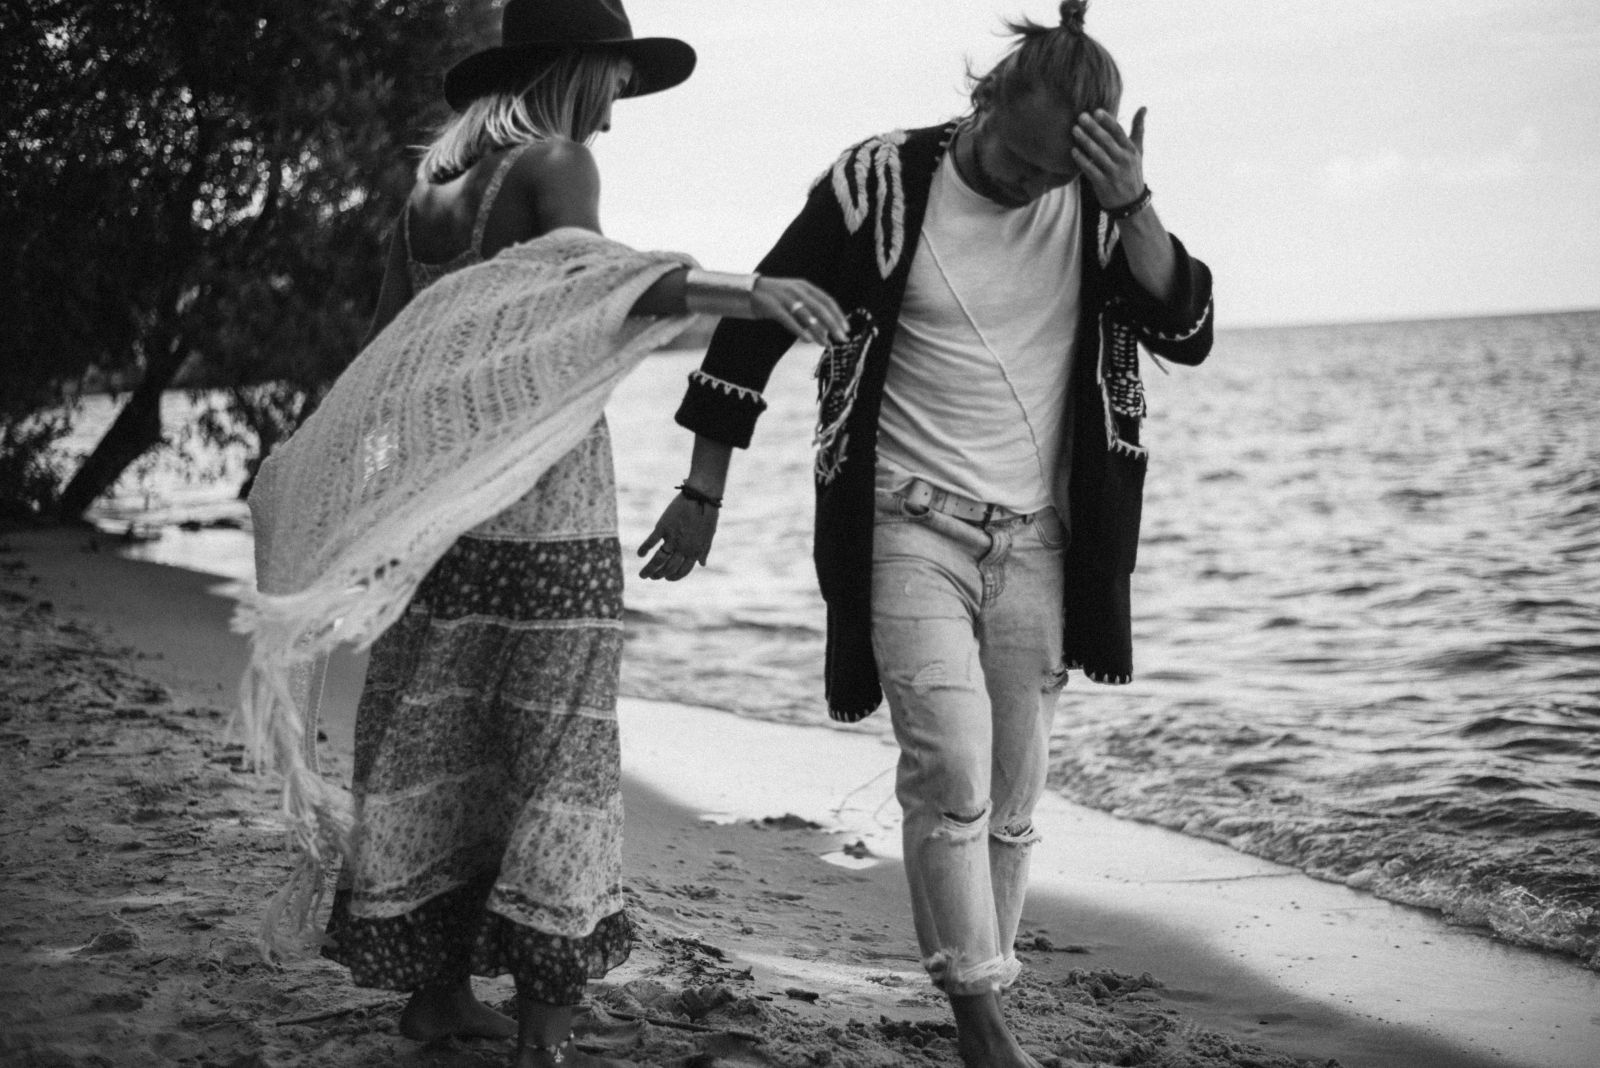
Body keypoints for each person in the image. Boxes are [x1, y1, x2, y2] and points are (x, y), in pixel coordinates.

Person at [639, 3, 1214, 1065]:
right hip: (905, 524)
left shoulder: (1097, 209)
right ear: (984, 98)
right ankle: (979, 1018)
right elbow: (759, 319)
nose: (1027, 185)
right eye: (1017, 159)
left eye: (1054, 173)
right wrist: (702, 490)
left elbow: (1186, 329)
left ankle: (986, 986)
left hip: (1040, 541)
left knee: (1013, 797)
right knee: (949, 767)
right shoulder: (881, 184)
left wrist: (1133, 203)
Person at [308, 3, 847, 1066]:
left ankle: (438, 998)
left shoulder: (429, 192)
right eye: (616, 74)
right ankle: (542, 1035)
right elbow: (608, 287)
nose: (620, 99)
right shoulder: (554, 164)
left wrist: (370, 507)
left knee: (448, 745)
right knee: (559, 755)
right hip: (544, 509)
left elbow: (383, 355)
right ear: (574, 68)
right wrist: (750, 289)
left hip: (441, 511)